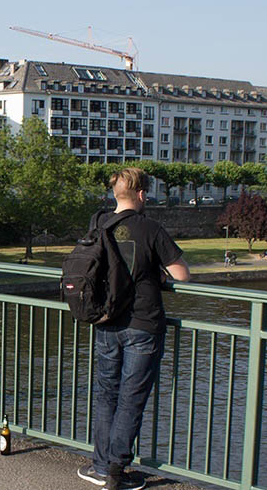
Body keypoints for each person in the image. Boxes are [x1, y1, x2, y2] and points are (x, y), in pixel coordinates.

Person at [77, 168, 191, 490]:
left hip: (106, 320)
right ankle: (117, 471)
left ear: (116, 195)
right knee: (131, 398)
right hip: (143, 323)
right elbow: (182, 274)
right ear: (142, 195)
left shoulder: (98, 223)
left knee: (106, 394)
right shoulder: (150, 228)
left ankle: (100, 467)